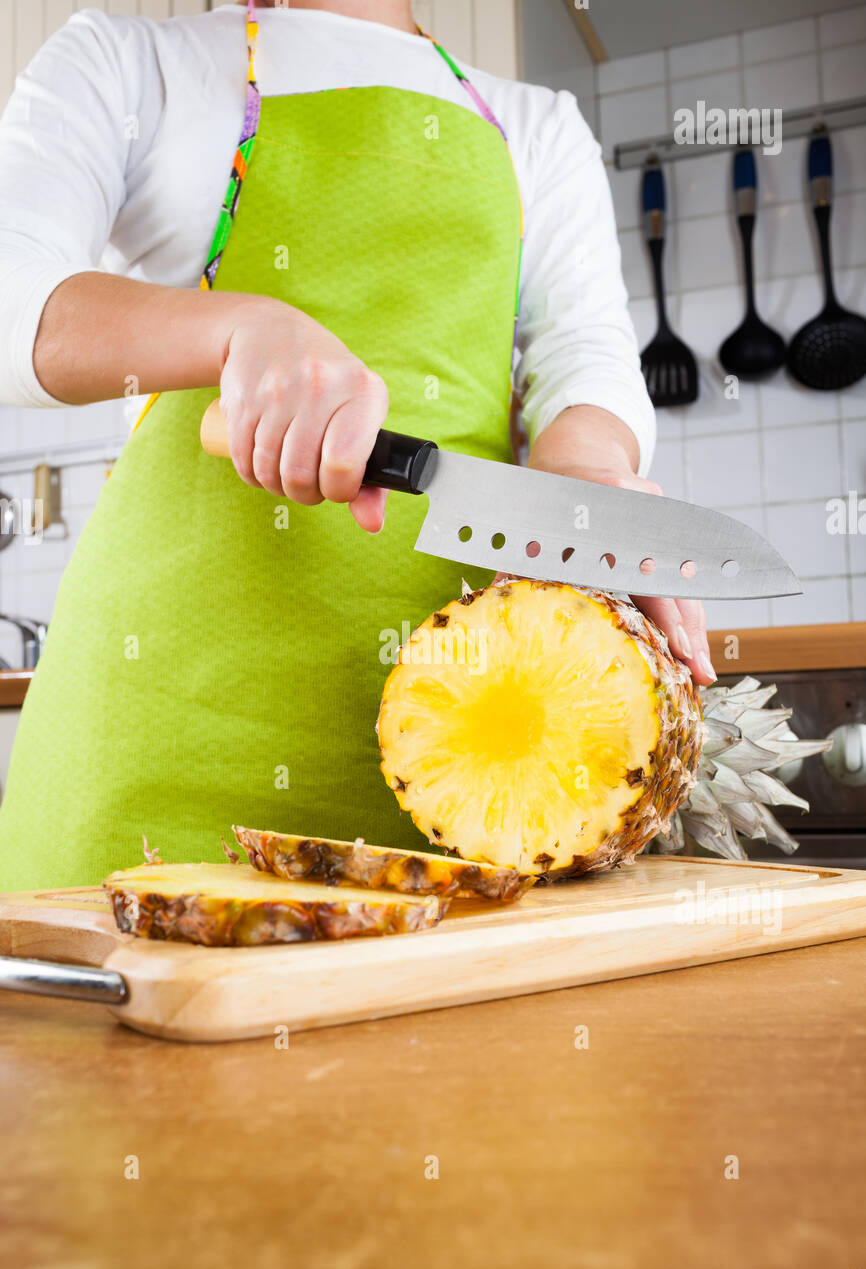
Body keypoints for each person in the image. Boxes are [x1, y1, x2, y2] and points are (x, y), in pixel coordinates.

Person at [0, 0, 713, 890]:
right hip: (148, 718)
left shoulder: (536, 123)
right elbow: (12, 294)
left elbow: (587, 360)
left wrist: (583, 488)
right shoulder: (128, 58)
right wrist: (239, 329)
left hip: (470, 739)